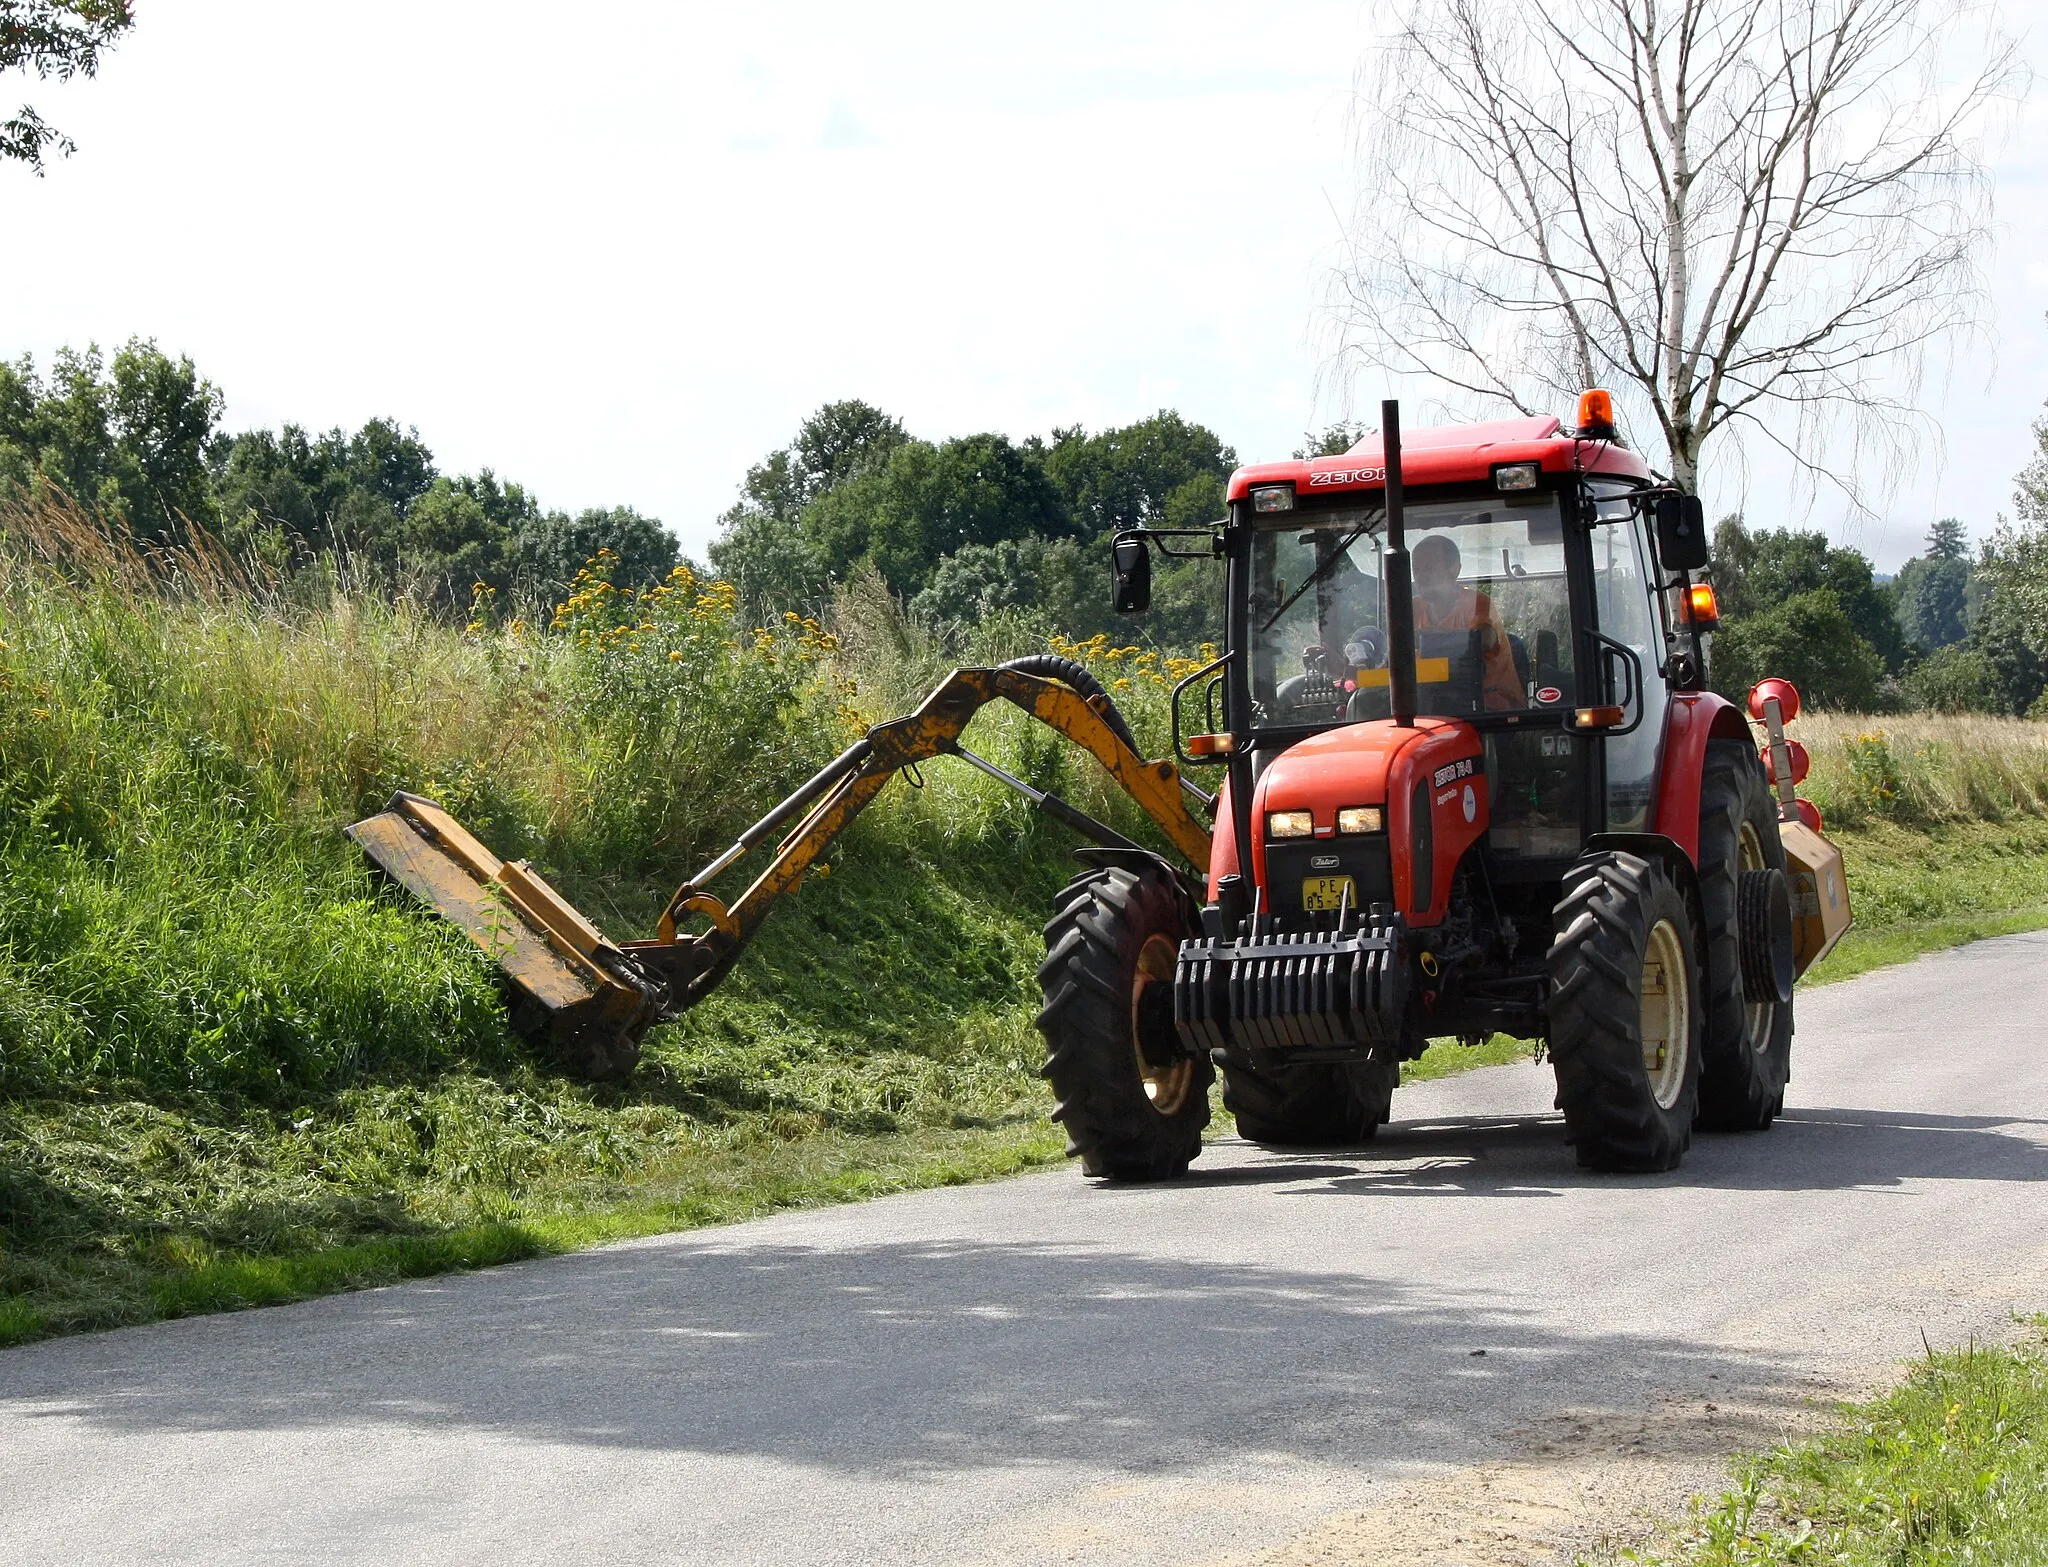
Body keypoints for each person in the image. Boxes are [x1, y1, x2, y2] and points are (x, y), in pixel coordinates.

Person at [1411, 533, 1521, 711]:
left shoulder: (1477, 603)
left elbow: (1484, 639)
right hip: (1430, 704)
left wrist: (1422, 639)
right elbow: (1394, 656)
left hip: (1490, 709)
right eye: (1416, 569)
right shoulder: (1412, 609)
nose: (1420, 577)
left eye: (1429, 569)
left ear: (1454, 569)